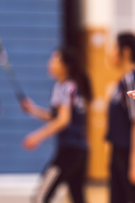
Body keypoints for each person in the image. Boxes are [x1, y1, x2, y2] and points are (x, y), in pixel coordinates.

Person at [20, 47, 92, 203]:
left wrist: (37, 136)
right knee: (78, 197)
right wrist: (33, 110)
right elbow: (56, 116)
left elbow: (63, 120)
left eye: (54, 59)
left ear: (65, 65)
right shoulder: (70, 86)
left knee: (40, 197)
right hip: (80, 152)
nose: (50, 63)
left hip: (68, 153)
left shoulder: (66, 86)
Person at [105, 33, 135, 203]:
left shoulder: (134, 80)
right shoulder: (123, 81)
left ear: (125, 52)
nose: (110, 53)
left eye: (113, 48)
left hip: (129, 154)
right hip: (119, 152)